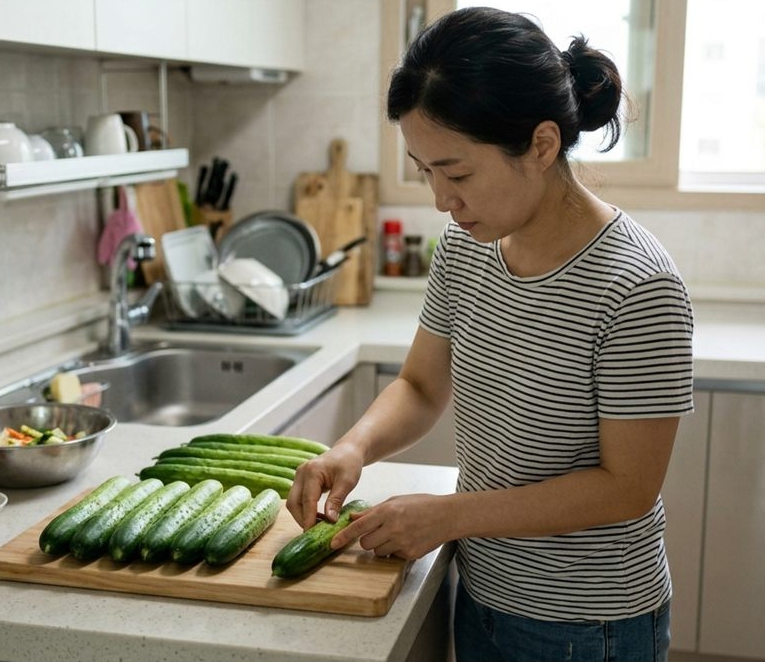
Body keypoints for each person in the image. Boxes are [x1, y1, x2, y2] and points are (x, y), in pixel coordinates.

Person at [286, 6, 694, 662]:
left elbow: (626, 488)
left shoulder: (637, 285)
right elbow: (421, 386)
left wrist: (446, 515)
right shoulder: (465, 248)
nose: (440, 200)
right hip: (482, 589)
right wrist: (352, 448)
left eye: (458, 173)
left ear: (539, 145)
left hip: (590, 625)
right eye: (425, 172)